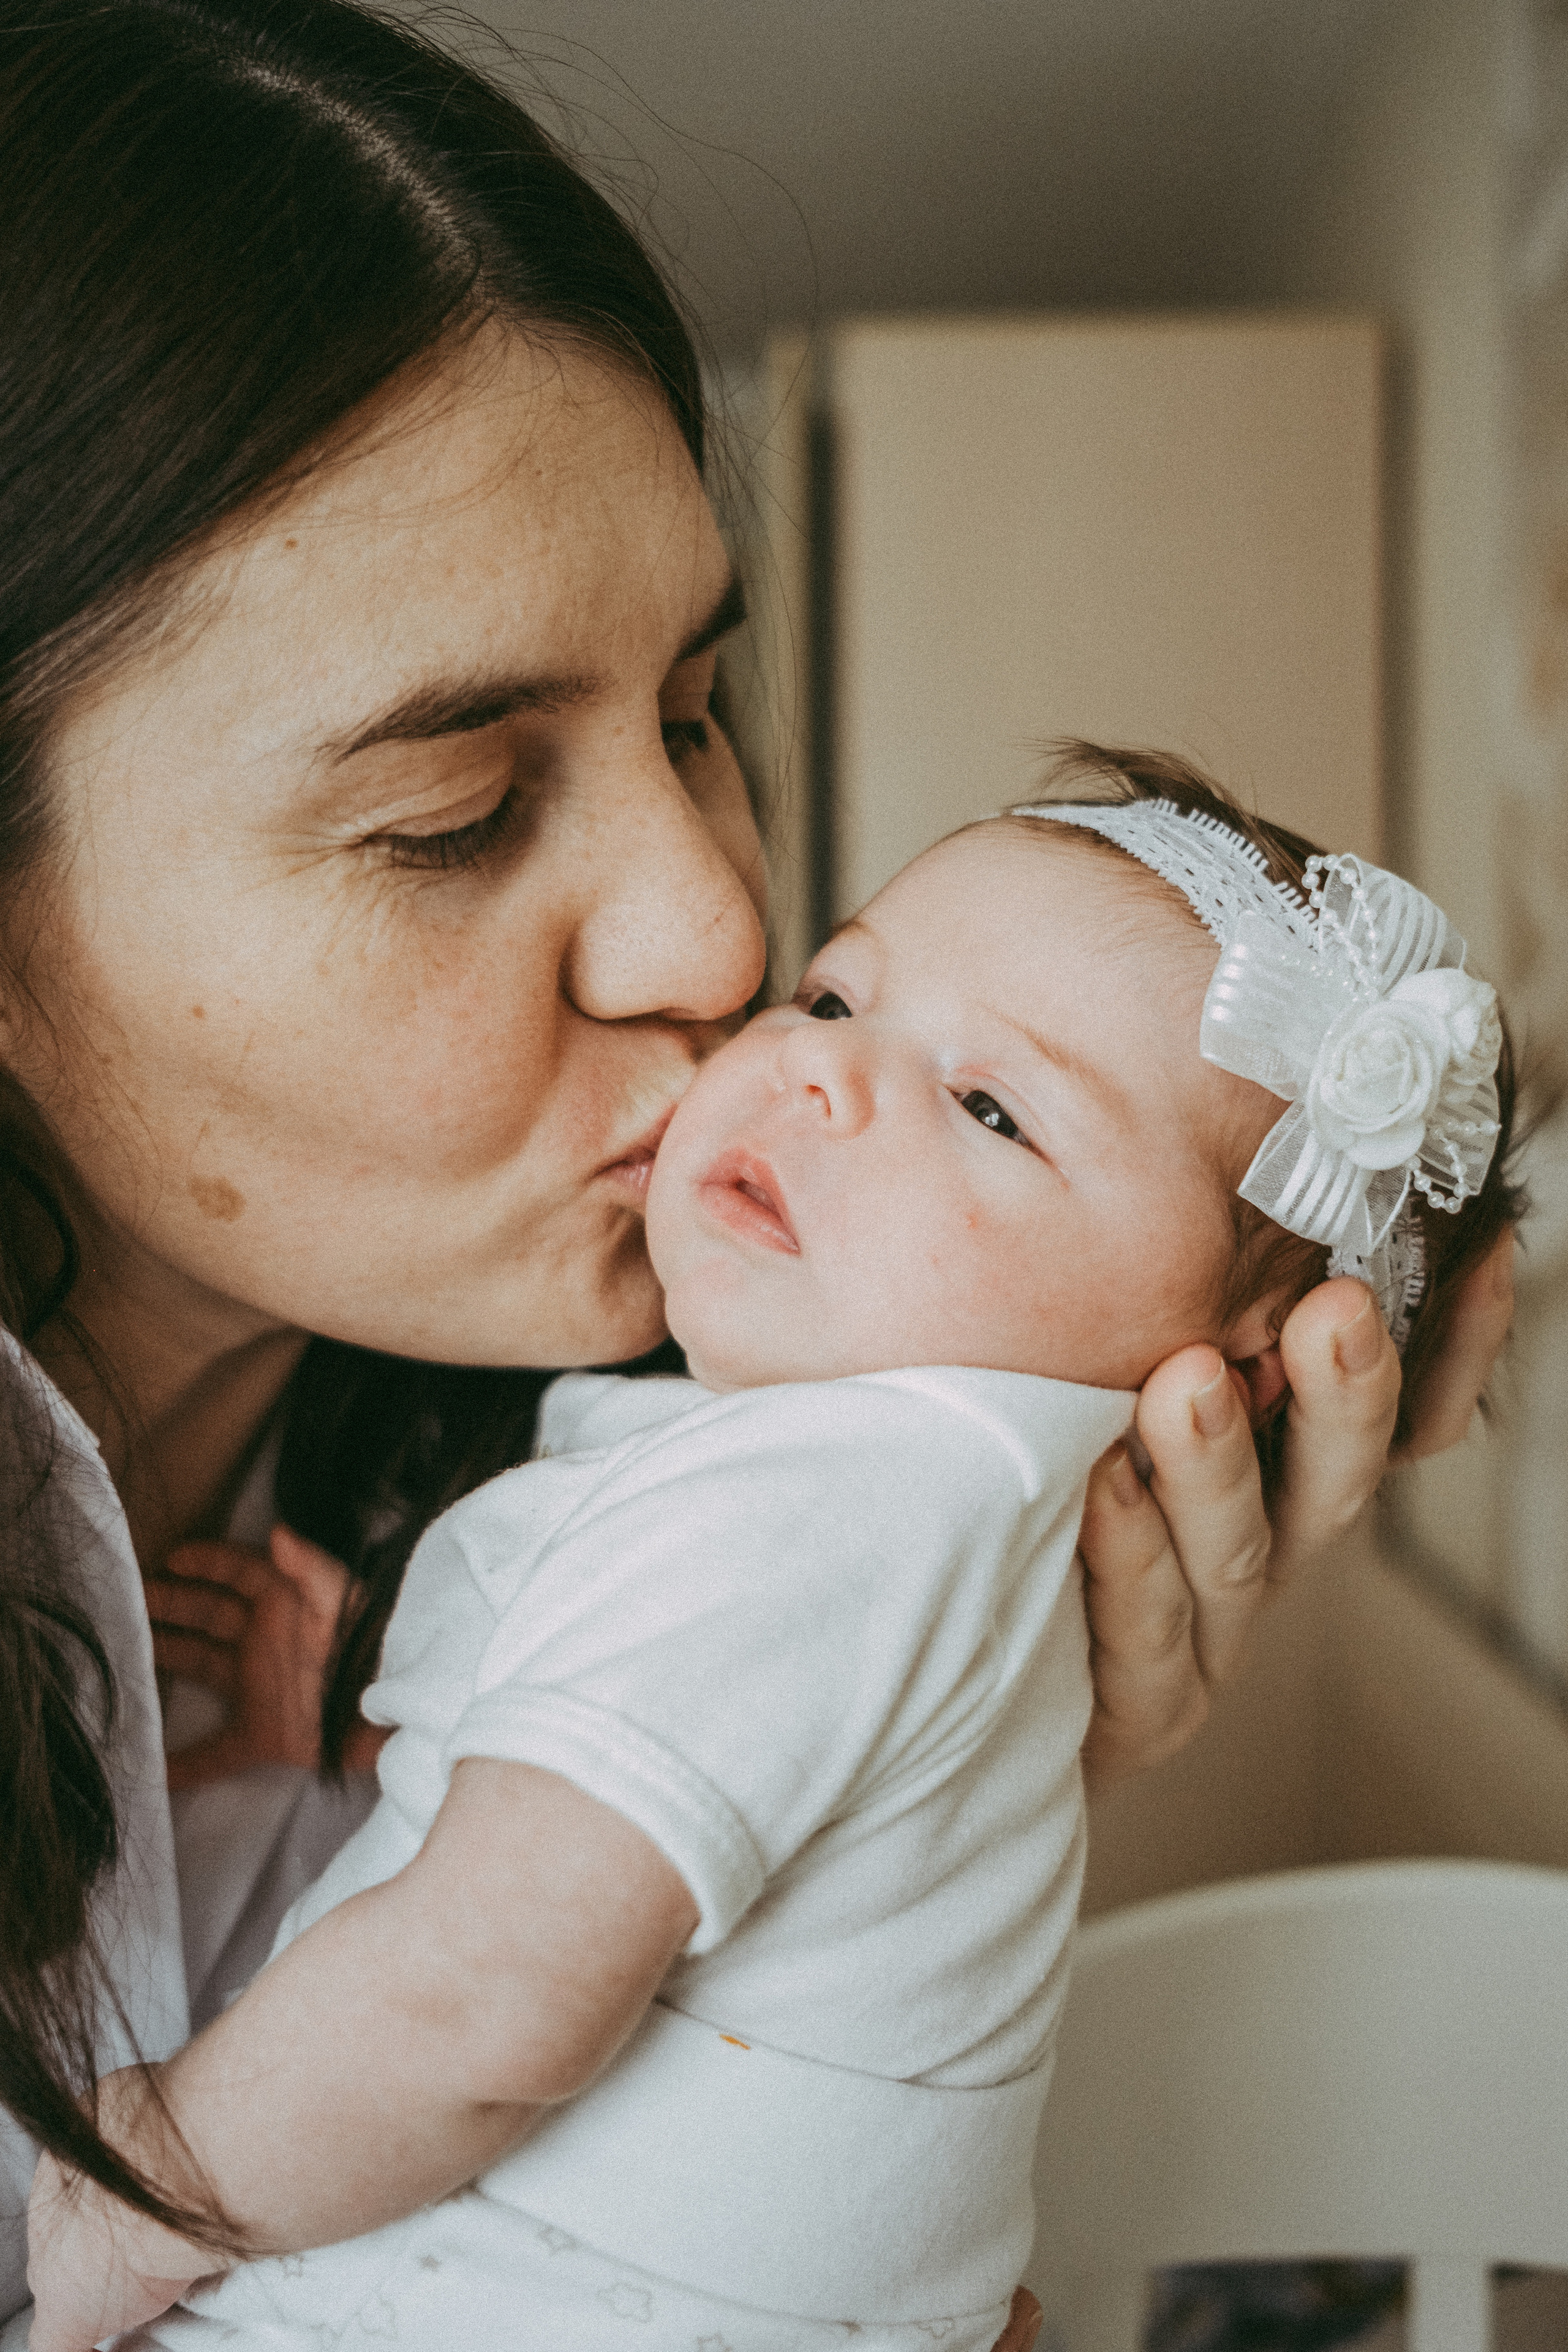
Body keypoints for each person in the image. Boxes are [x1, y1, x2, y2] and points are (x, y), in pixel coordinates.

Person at [0, 1, 1512, 2341]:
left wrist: (945, 1836)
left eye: (698, 714)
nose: (728, 928)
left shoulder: (661, 1450)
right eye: (456, 815)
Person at [25, 755, 1518, 2351]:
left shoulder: (839, 1487)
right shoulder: (905, 1504)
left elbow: (483, 1992)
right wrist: (358, 1754)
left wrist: (156, 2170)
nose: (824, 1073)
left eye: (993, 1107)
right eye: (830, 997)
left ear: (1238, 1366)